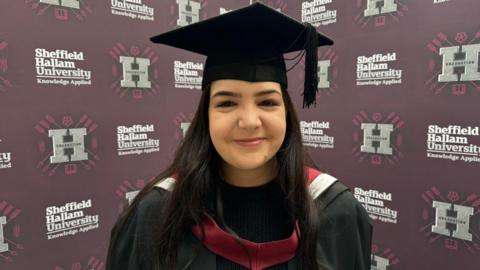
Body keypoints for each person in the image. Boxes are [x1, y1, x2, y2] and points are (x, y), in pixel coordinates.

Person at [106, 3, 372, 270]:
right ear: (206, 116)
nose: (249, 122)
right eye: (227, 103)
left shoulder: (336, 213)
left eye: (267, 102)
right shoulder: (156, 216)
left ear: (287, 114)